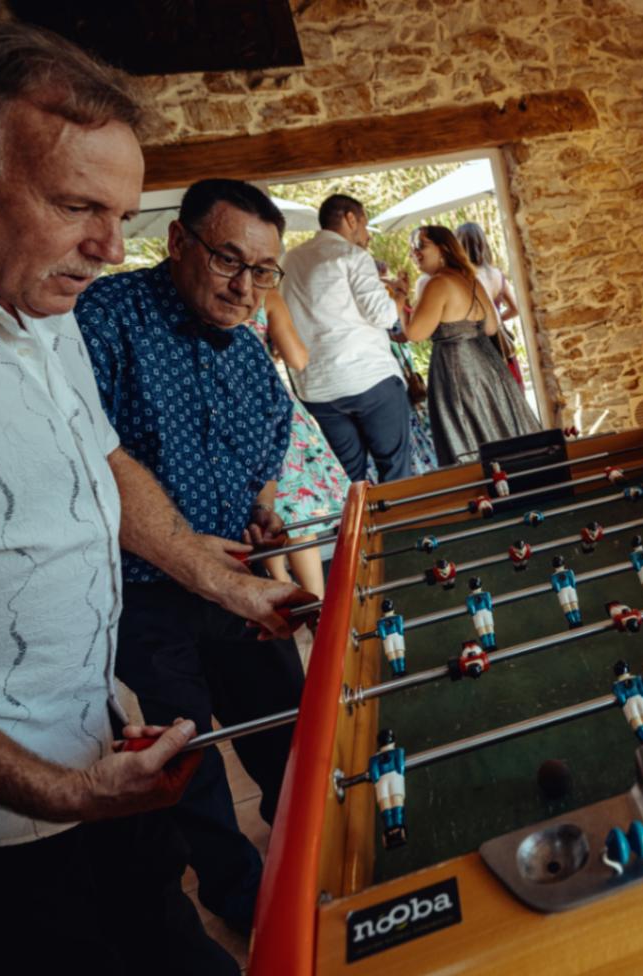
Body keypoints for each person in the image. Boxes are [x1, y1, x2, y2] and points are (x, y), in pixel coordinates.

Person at [0, 21, 302, 975]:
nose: (106, 247)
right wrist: (55, 791)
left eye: (121, 214)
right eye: (77, 205)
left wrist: (230, 582)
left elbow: (100, 454)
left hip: (92, 761)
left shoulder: (37, 293)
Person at [76, 178, 313, 937]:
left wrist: (265, 510)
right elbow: (81, 463)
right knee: (194, 757)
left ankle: (309, 862)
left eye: (263, 271)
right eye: (227, 260)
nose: (246, 287)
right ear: (178, 243)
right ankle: (240, 896)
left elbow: (269, 445)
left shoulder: (247, 351)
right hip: (144, 594)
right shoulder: (103, 318)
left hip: (236, 586)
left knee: (292, 727)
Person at [280, 193, 412, 482]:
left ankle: (359, 527)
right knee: (396, 471)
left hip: (317, 389)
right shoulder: (352, 256)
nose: (366, 235)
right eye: (364, 224)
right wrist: (400, 296)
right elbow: (383, 316)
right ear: (351, 219)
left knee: (350, 480)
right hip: (370, 380)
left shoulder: (289, 259)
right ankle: (403, 527)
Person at [393, 225, 540, 466]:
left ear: (443, 248)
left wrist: (400, 305)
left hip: (456, 368)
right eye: (412, 250)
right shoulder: (470, 279)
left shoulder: (437, 283)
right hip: (488, 364)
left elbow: (416, 334)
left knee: (468, 436)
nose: (415, 253)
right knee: (498, 426)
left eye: (421, 247)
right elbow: (491, 327)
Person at [249, 287, 350, 599]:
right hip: (269, 406)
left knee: (261, 517)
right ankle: (316, 609)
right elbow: (297, 357)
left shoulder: (200, 298)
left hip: (228, 417)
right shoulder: (265, 294)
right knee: (298, 516)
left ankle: (279, 586)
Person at [455, 220, 525, 389]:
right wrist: (496, 319)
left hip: (476, 348)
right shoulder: (497, 274)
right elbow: (516, 309)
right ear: (483, 243)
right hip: (500, 345)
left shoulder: (462, 279)